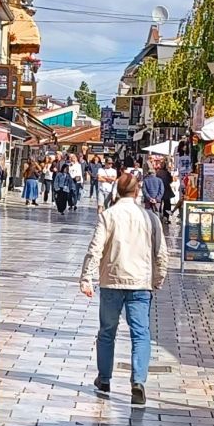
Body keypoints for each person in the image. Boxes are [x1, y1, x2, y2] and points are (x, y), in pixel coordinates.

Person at [80, 171, 169, 405]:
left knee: (107, 331)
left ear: (117, 191)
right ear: (137, 191)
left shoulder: (108, 215)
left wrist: (86, 278)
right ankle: (138, 381)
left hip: (111, 281)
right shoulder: (150, 218)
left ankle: (104, 378)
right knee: (140, 333)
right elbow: (161, 253)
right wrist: (158, 279)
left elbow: (95, 249)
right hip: (140, 282)